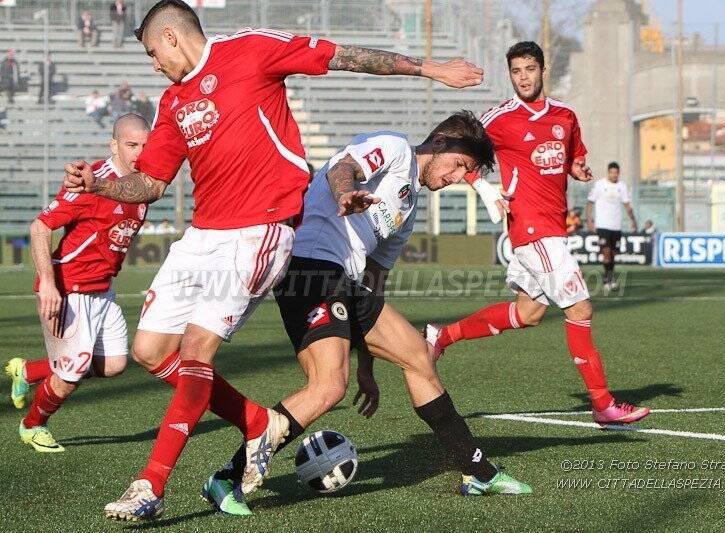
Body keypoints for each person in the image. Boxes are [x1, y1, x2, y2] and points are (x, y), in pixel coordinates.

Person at [62, 0, 483, 521]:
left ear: (171, 37)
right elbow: (149, 182)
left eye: (152, 52)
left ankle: (151, 485)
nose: (153, 63)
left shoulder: (249, 50)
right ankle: (259, 423)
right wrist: (99, 185)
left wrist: (428, 68)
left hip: (260, 230)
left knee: (197, 352)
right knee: (151, 350)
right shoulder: (172, 102)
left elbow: (338, 56)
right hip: (203, 236)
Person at [210, 112, 530, 513]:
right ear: (442, 144)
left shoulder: (408, 207)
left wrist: (368, 364)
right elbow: (344, 168)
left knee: (417, 355)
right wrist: (346, 193)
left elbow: (376, 276)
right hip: (310, 267)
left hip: (345, 280)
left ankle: (477, 472)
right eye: (460, 167)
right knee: (328, 387)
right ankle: (226, 477)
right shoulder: (395, 149)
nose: (455, 178)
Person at [426, 42, 649, 426]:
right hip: (532, 228)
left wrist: (577, 169)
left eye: (529, 69)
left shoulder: (566, 116)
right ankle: (603, 404)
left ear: (542, 70)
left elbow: (574, 158)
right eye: (516, 71)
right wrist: (481, 184)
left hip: (553, 225)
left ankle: (441, 336)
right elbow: (452, 145)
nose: (523, 77)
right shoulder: (499, 119)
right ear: (510, 74)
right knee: (580, 308)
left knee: (528, 313)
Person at [4, 114, 151, 452]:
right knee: (70, 375)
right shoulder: (90, 183)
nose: (139, 153)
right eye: (131, 145)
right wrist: (48, 284)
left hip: (103, 290)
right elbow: (41, 226)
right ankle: (32, 425)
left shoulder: (143, 186)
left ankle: (28, 371)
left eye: (145, 145)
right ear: (113, 145)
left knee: (114, 365)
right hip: (70, 288)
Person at [586, 161, 637, 291]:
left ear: (618, 173)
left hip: (616, 225)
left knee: (613, 253)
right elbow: (590, 202)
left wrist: (633, 220)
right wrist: (589, 220)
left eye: (616, 173)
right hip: (603, 224)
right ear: (608, 172)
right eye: (612, 172)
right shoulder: (600, 185)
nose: (614, 175)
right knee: (606, 252)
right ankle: (608, 278)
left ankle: (610, 277)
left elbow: (627, 204)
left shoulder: (622, 186)